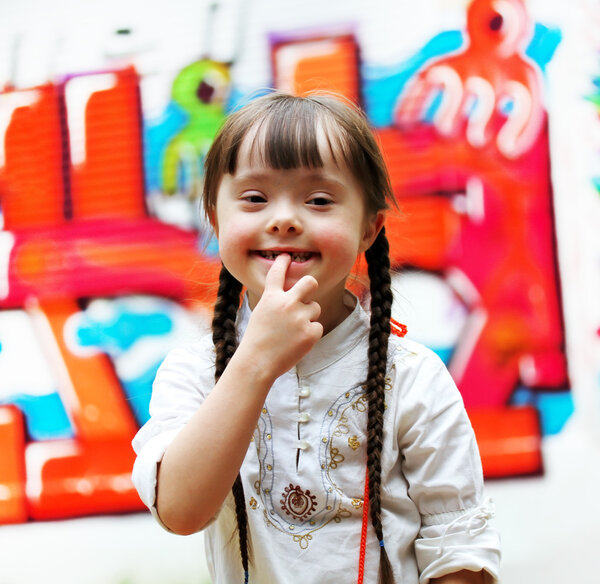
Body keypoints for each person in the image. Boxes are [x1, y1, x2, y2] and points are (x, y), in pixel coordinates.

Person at [132, 92, 501, 584]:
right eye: (255, 198)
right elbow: (180, 510)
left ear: (370, 228)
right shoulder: (194, 372)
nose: (284, 219)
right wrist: (256, 360)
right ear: (217, 221)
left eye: (320, 200)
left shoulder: (412, 377)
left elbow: (457, 548)